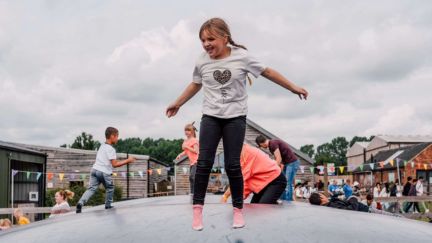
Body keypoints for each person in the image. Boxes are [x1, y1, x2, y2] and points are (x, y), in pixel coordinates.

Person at [166, 18, 308, 231]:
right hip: (211, 117)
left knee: (233, 164)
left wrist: (292, 87)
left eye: (211, 39)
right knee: (204, 162)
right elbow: (196, 84)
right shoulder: (202, 61)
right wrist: (178, 102)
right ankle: (197, 212)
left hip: (235, 118)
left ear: (225, 38)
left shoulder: (242, 57)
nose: (206, 44)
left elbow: (268, 72)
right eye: (203, 40)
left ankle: (238, 212)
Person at [76, 127, 136, 213]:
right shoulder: (111, 149)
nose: (117, 139)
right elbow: (114, 164)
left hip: (94, 170)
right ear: (112, 136)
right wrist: (128, 160)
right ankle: (108, 205)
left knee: (91, 188)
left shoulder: (102, 146)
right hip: (104, 172)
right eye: (117, 136)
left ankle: (80, 203)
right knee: (110, 187)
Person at [221, 144, 286, 204]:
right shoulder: (239, 154)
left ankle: (274, 204)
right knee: (253, 207)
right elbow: (246, 182)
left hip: (276, 180)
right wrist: (239, 198)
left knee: (262, 208)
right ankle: (272, 201)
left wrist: (225, 196)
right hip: (262, 183)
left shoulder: (246, 155)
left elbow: (239, 180)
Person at [255, 135, 300, 202]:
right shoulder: (271, 145)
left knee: (288, 182)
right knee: (284, 182)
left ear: (261, 143)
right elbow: (277, 160)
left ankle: (288, 201)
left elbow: (278, 159)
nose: (262, 147)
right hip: (287, 163)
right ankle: (284, 199)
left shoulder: (273, 144)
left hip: (292, 162)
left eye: (260, 146)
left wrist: (272, 170)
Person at [176, 122, 199, 196]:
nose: (186, 132)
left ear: (192, 131)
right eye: (185, 130)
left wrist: (187, 146)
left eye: (188, 130)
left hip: (197, 161)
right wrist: (180, 154)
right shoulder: (185, 141)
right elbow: (186, 151)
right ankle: (192, 192)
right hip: (192, 162)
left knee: (193, 176)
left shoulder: (194, 140)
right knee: (191, 177)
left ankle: (195, 192)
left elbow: (196, 151)